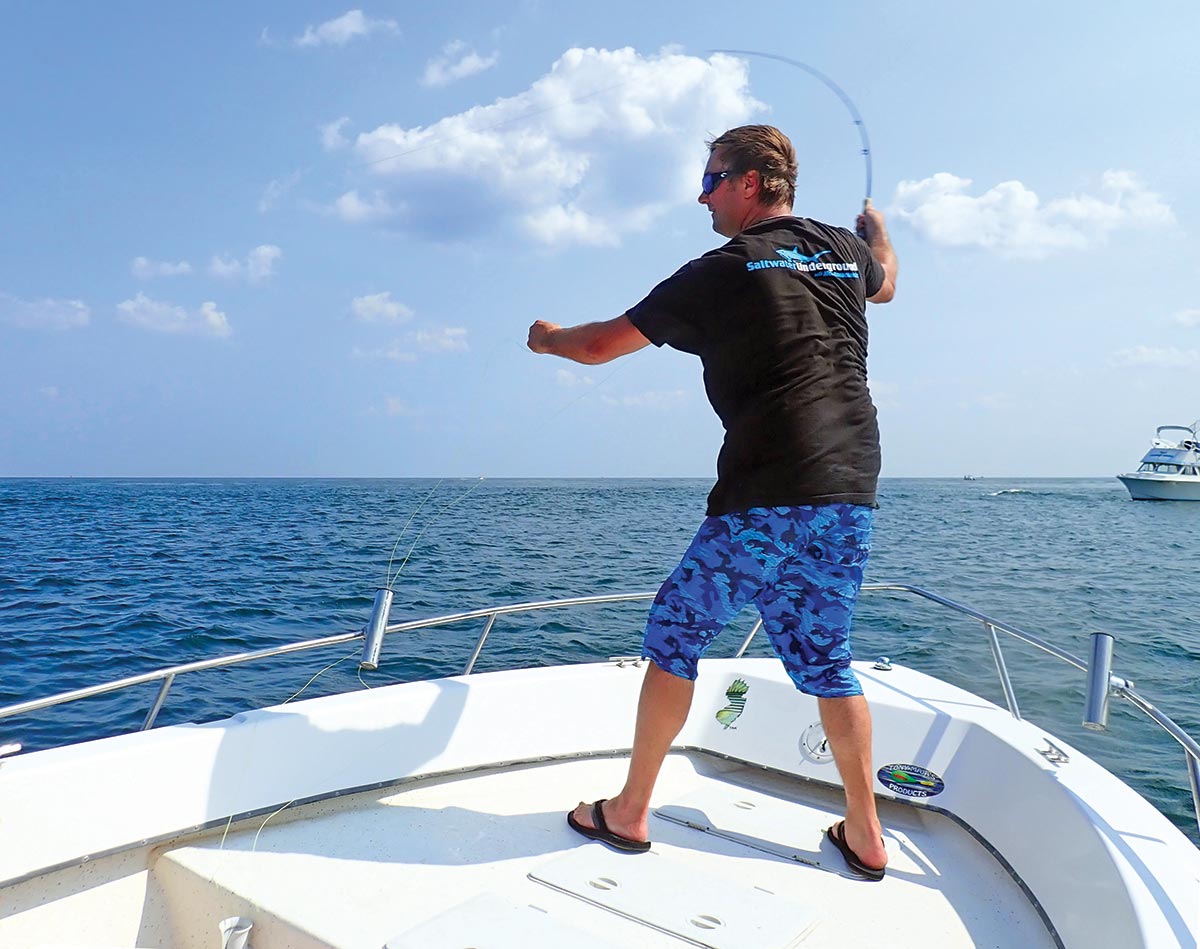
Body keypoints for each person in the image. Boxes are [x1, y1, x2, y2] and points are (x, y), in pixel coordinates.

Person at [526, 124, 897, 880]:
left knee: (676, 630)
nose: (702, 194)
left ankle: (629, 811)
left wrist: (548, 339)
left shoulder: (723, 268)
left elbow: (600, 346)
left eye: (712, 178)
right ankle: (866, 832)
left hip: (767, 488)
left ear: (754, 181)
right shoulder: (843, 252)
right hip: (850, 485)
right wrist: (881, 234)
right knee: (828, 658)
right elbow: (886, 280)